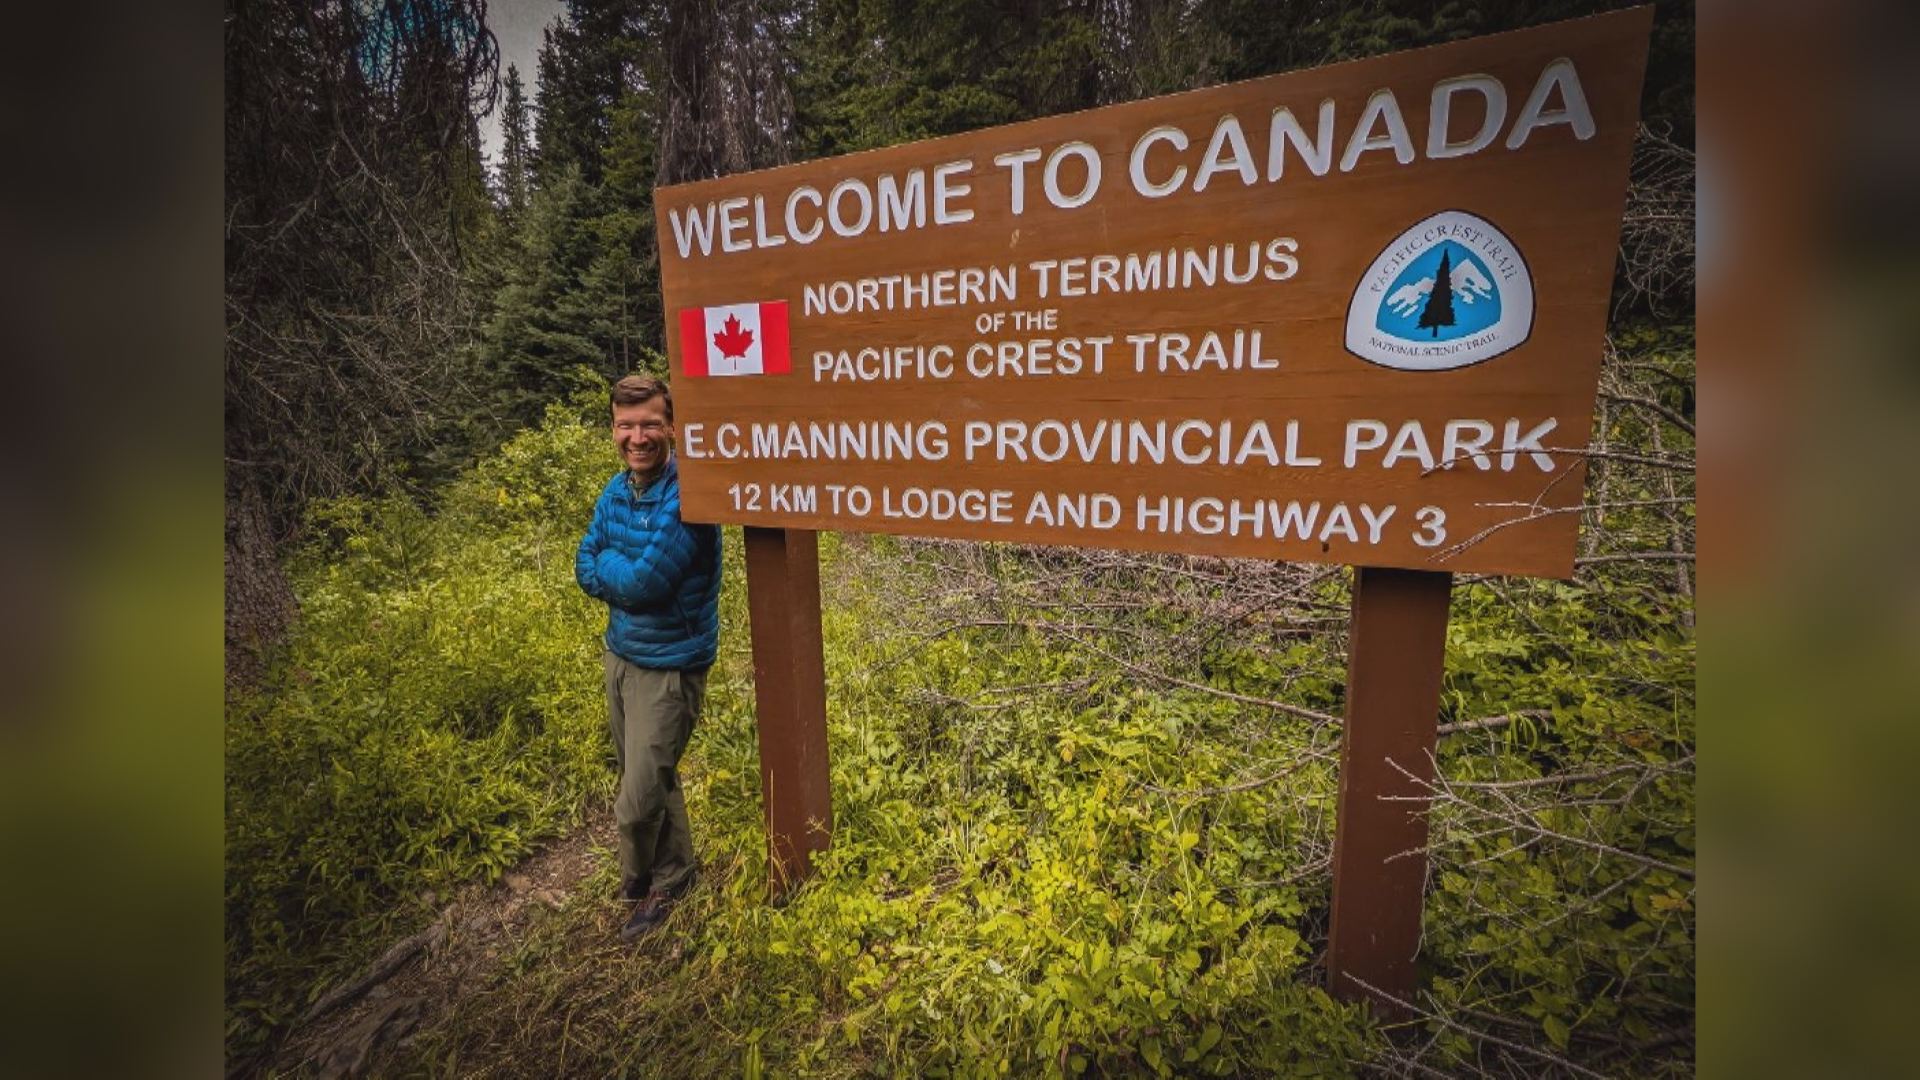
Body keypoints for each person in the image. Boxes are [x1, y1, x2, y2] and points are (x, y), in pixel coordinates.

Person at [575, 374, 722, 941]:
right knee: (652, 777)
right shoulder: (616, 491)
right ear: (613, 428)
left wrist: (614, 573)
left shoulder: (691, 495)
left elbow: (643, 583)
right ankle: (676, 876)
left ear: (673, 427)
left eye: (650, 424)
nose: (637, 437)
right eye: (625, 425)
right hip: (622, 657)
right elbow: (583, 562)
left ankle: (639, 885)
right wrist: (616, 574)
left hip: (670, 667)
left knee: (636, 800)